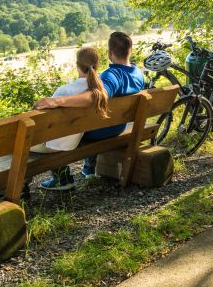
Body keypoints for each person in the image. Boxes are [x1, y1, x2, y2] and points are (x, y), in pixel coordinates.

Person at [33, 32, 145, 190]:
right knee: (86, 120)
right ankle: (88, 168)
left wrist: (58, 100)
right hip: (118, 127)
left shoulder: (112, 75)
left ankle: (64, 177)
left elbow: (97, 96)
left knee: (70, 124)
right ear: (130, 50)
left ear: (110, 53)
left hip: (98, 130)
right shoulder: (138, 74)